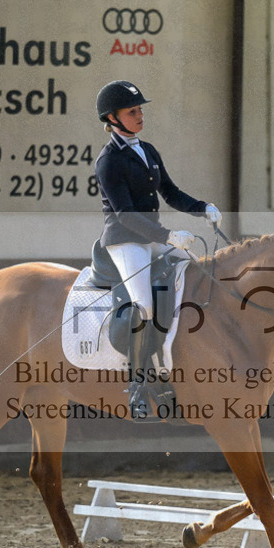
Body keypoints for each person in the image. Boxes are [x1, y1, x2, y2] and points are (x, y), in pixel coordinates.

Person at [93, 80, 221, 419]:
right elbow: (125, 214)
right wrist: (167, 235)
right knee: (145, 305)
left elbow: (171, 192)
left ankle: (175, 368)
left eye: (140, 110)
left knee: (196, 273)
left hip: (153, 238)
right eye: (132, 111)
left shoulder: (147, 150)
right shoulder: (108, 161)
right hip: (124, 240)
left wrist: (201, 207)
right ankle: (137, 384)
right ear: (112, 118)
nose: (140, 115)